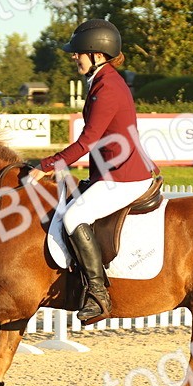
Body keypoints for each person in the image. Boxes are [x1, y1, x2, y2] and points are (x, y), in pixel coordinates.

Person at [27, 19, 156, 322]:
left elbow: (87, 142)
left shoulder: (107, 86)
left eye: (78, 52)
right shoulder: (103, 81)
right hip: (110, 173)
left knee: (74, 216)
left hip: (124, 176)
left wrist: (47, 165)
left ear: (97, 55)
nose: (74, 57)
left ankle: (98, 294)